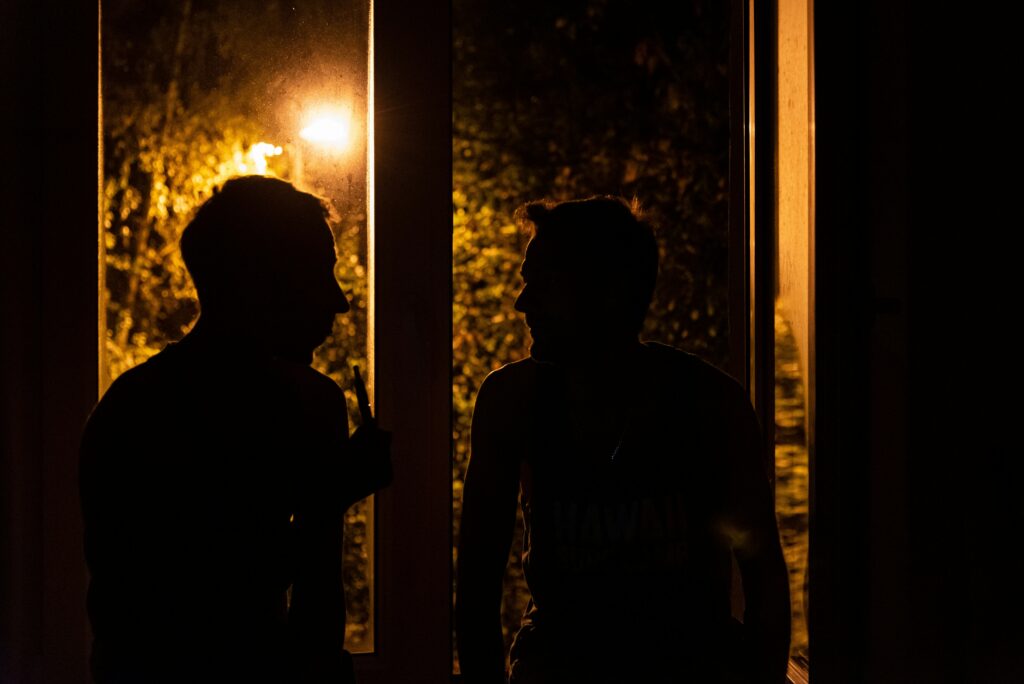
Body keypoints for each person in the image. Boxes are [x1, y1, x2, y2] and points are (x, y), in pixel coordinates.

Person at [456, 197, 790, 683]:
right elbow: (475, 589)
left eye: (544, 284)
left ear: (606, 292)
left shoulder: (709, 403)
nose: (522, 302)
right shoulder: (512, 401)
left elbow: (765, 583)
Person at [80, 176, 391, 683]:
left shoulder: (131, 405)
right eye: (318, 274)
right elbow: (205, 599)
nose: (338, 302)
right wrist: (330, 498)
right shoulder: (148, 418)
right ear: (259, 284)